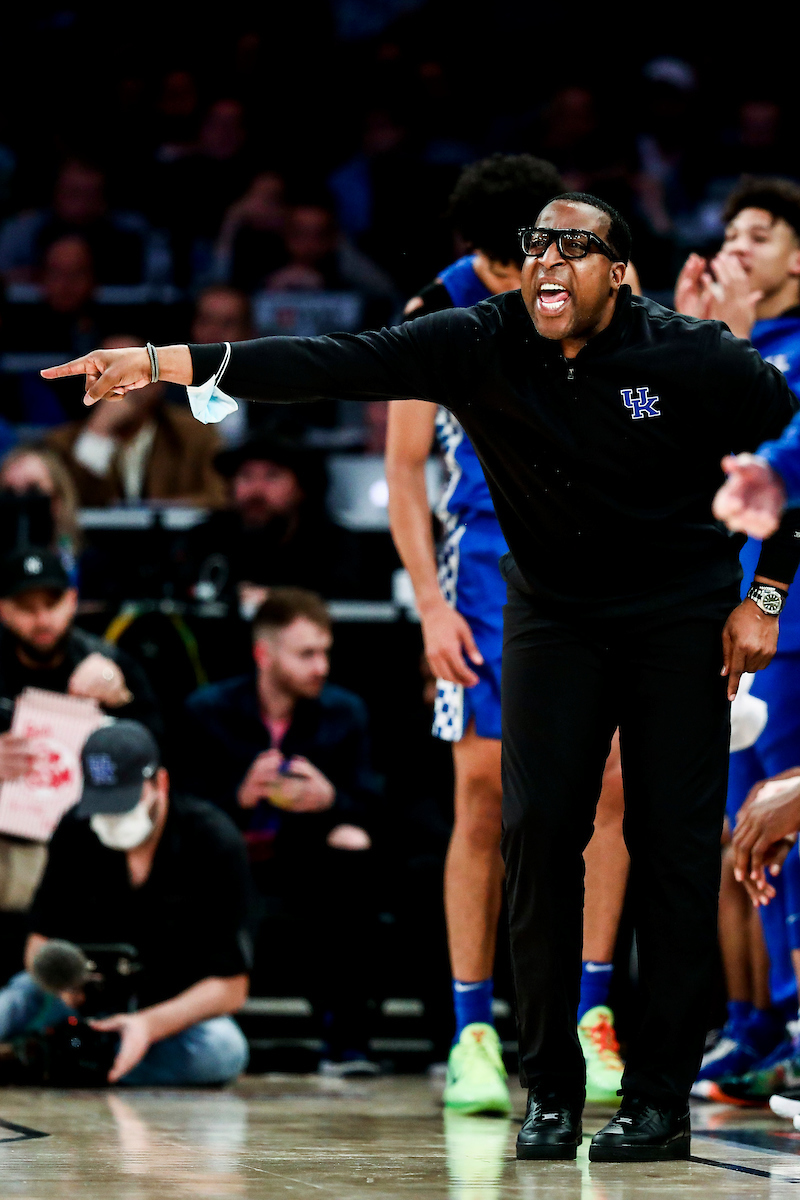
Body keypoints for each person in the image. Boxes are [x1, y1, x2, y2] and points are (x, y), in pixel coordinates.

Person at [42, 191, 800, 1162]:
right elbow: (329, 362)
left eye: (576, 247)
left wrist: (765, 594)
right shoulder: (476, 340)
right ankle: (548, 1093)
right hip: (553, 619)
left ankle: (655, 1098)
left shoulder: (687, 355)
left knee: (671, 849)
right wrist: (157, 361)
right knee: (533, 839)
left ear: (617, 272)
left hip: (675, 618)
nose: (548, 261)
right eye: (536, 245)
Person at [386, 153, 629, 1116]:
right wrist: (430, 607)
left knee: (610, 783)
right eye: (494, 265)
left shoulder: (605, 289)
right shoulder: (431, 316)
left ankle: (592, 1015)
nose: (510, 280)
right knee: (482, 796)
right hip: (481, 571)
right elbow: (407, 474)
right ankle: (472, 1033)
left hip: (598, 561)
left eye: (520, 259)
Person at [677, 177, 800, 1096]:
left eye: (762, 232)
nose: (739, 244)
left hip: (787, 627)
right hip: (715, 625)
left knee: (786, 826)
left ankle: (791, 1017)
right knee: (733, 835)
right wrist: (704, 343)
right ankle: (752, 1024)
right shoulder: (711, 346)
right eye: (730, 231)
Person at [178, 589, 378, 1074]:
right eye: (306, 653)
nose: (321, 666)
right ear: (264, 654)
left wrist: (332, 803)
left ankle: (346, 1042)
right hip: (228, 859)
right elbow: (179, 810)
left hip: (303, 856)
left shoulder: (343, 713)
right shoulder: (208, 711)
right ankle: (189, 1029)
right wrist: (239, 798)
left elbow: (376, 807)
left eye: (325, 652)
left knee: (353, 857)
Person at [0, 720, 251, 1085]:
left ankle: (56, 1060)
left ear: (159, 785)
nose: (112, 819)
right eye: (103, 805)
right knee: (18, 998)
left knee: (222, 1050)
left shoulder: (213, 841)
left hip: (169, 1010)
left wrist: (149, 1025)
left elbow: (231, 988)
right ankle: (71, 1055)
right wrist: (65, 984)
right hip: (80, 1001)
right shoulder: (76, 829)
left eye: (124, 804)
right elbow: (40, 942)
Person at [0, 546, 160, 962]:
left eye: (51, 603)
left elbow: (156, 753)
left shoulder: (106, 662)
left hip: (89, 824)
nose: (41, 619)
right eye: (25, 606)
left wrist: (120, 700)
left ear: (71, 602)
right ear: (2, 609)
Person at [47, 334, 227, 508]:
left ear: (159, 382)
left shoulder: (195, 435)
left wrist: (155, 511)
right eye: (105, 371)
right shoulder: (64, 442)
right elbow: (64, 504)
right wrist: (97, 432)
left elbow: (220, 497)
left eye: (130, 368)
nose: (117, 381)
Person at [186, 433, 359, 610]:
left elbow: (342, 598)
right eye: (246, 475)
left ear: (301, 489)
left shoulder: (331, 545)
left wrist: (276, 600)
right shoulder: (205, 539)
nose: (256, 489)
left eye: (272, 476)